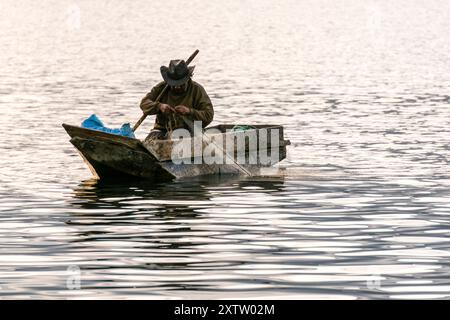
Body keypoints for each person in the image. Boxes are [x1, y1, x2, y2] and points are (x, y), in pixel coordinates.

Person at [139, 59, 214, 140]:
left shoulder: (197, 90)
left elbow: (208, 115)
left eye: (181, 84)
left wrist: (189, 111)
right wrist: (159, 106)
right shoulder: (161, 88)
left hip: (189, 130)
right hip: (162, 130)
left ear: (188, 79)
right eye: (174, 84)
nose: (177, 87)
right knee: (150, 141)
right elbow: (144, 103)